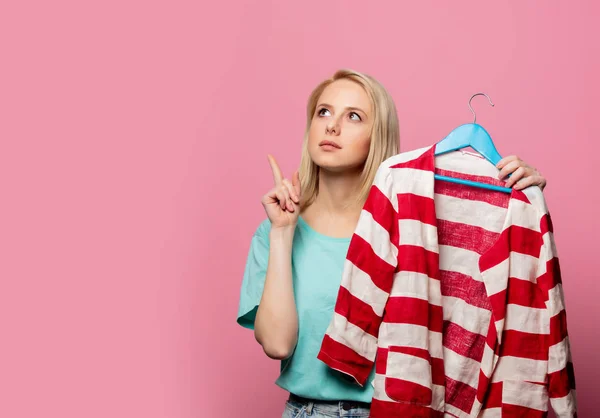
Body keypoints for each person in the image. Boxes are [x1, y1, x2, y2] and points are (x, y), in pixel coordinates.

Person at [236, 69, 548, 418]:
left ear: (378, 136)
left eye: (353, 116)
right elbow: (278, 345)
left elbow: (479, 297)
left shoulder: (414, 223)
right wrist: (282, 233)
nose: (332, 126)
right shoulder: (275, 232)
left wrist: (520, 195)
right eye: (323, 112)